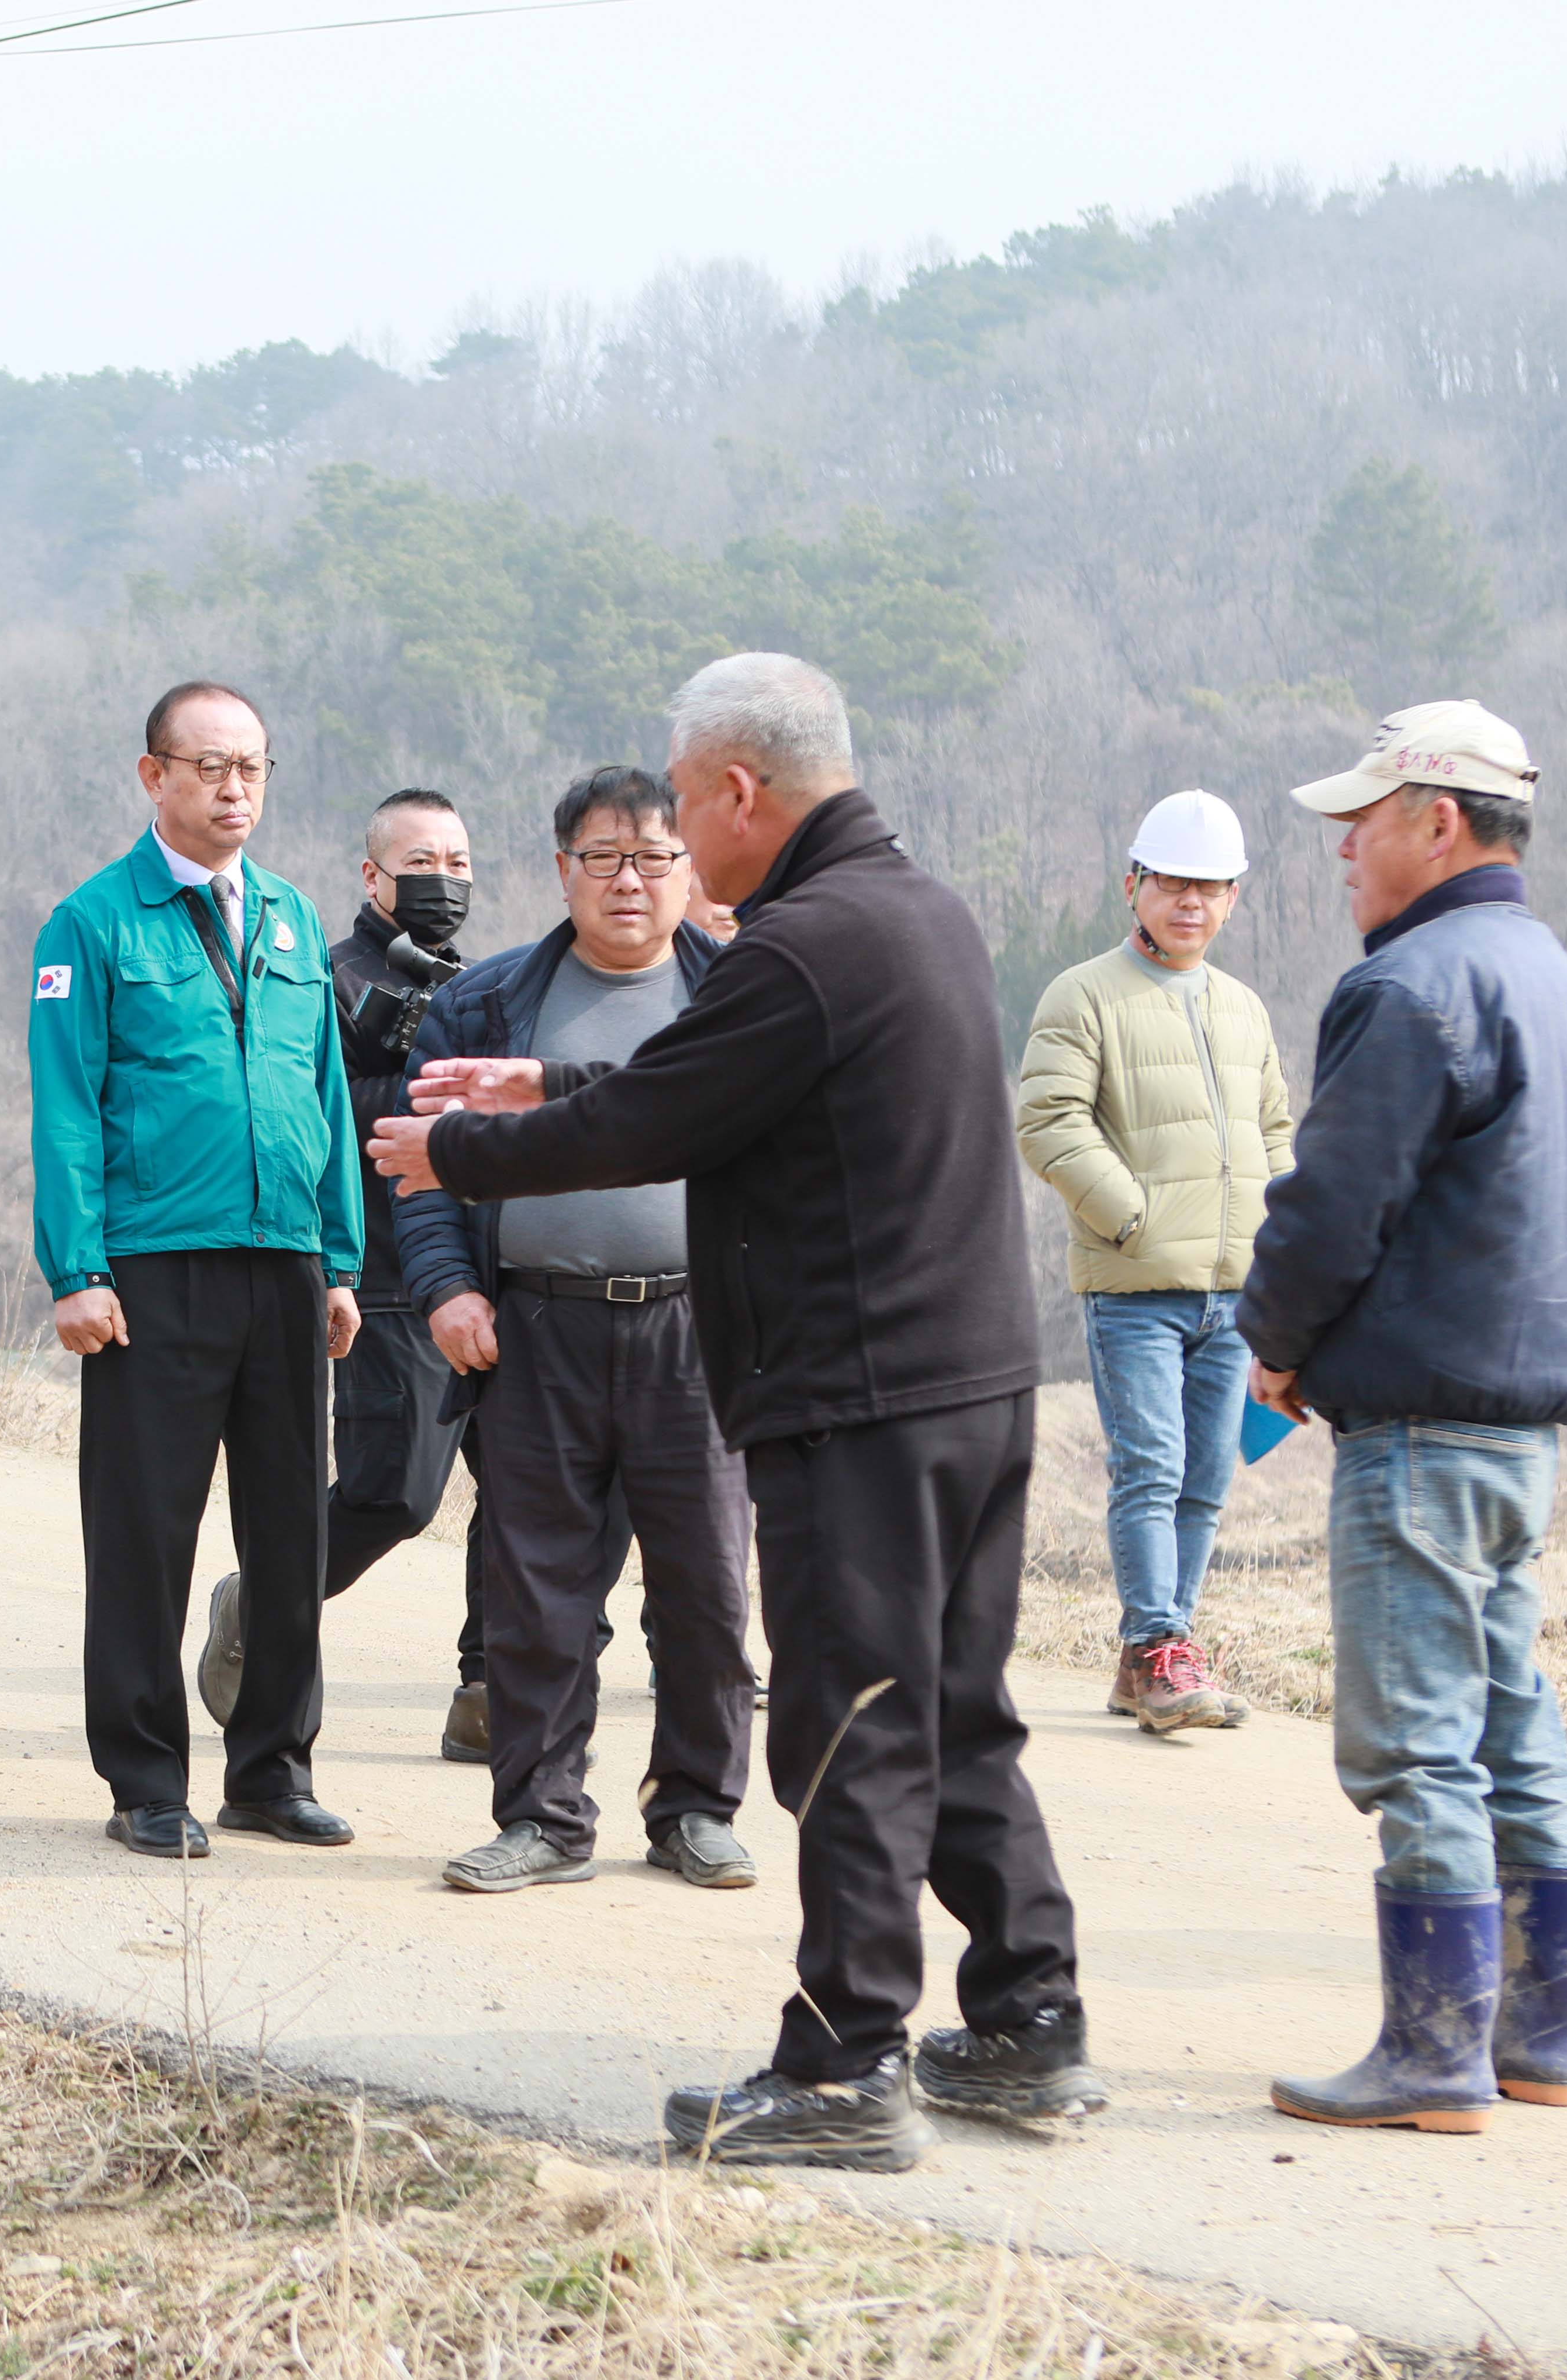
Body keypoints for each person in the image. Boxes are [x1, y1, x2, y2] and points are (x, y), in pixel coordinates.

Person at [375, 654, 1097, 2171]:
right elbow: (711, 1077)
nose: (680, 837)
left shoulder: (798, 947)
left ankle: (842, 2067)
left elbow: (659, 1113)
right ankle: (1030, 2018)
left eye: (686, 801)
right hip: (969, 1385)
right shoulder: (909, 912)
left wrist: (460, 1153)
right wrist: (536, 1080)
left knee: (849, 1723)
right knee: (957, 1708)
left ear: (743, 789)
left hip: (863, 1399)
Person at [1242, 702, 1567, 2133]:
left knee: (1415, 1743)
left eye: (1364, 818)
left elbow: (1333, 1203)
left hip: (1416, 1415)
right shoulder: (1558, 979)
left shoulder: (1414, 986)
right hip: (1522, 1425)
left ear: (1439, 821)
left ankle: (1433, 2054)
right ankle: (1543, 2038)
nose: (1342, 847)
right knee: (1513, 1724)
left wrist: (1275, 1347)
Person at [397, 765, 758, 1896]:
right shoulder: (488, 1004)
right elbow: (421, 1174)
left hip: (697, 1333)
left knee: (705, 1589)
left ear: (689, 871)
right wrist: (449, 1289)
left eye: (654, 858)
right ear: (563, 871)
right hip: (535, 1332)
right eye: (603, 858)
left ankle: (696, 1808)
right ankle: (544, 1817)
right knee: (538, 1593)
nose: (629, 882)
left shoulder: (738, 1000)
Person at [30, 680, 363, 1862]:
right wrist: (76, 1269)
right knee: (143, 1533)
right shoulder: (93, 923)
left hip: (281, 1265)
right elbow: (65, 1106)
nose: (233, 788)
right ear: (152, 775)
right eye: (209, 766)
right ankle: (143, 1780)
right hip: (150, 1271)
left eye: (253, 768)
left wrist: (338, 1256)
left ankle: (271, 1768)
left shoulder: (285, 919)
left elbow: (319, 1091)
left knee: (289, 1536)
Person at [194, 790, 508, 1761]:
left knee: (529, 1488)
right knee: (393, 1494)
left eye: (459, 864)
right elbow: (301, 1108)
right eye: (423, 863)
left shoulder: (482, 987)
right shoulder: (317, 981)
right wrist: (426, 1081)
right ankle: (262, 1595)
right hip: (381, 1269)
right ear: (371, 875)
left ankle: (492, 1689)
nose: (443, 882)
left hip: (495, 1268)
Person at [1016, 789, 1296, 1736]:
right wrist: (1132, 1219)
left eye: (1211, 889)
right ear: (1134, 885)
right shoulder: (1084, 994)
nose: (1191, 904)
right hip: (1138, 1289)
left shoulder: (1242, 1009)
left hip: (1234, 1292)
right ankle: (1158, 1646)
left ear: (1234, 899)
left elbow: (1274, 1136)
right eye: (1174, 885)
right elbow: (1049, 1122)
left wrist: (1285, 1249)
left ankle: (1155, 1659)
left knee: (1207, 1478)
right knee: (1152, 1466)